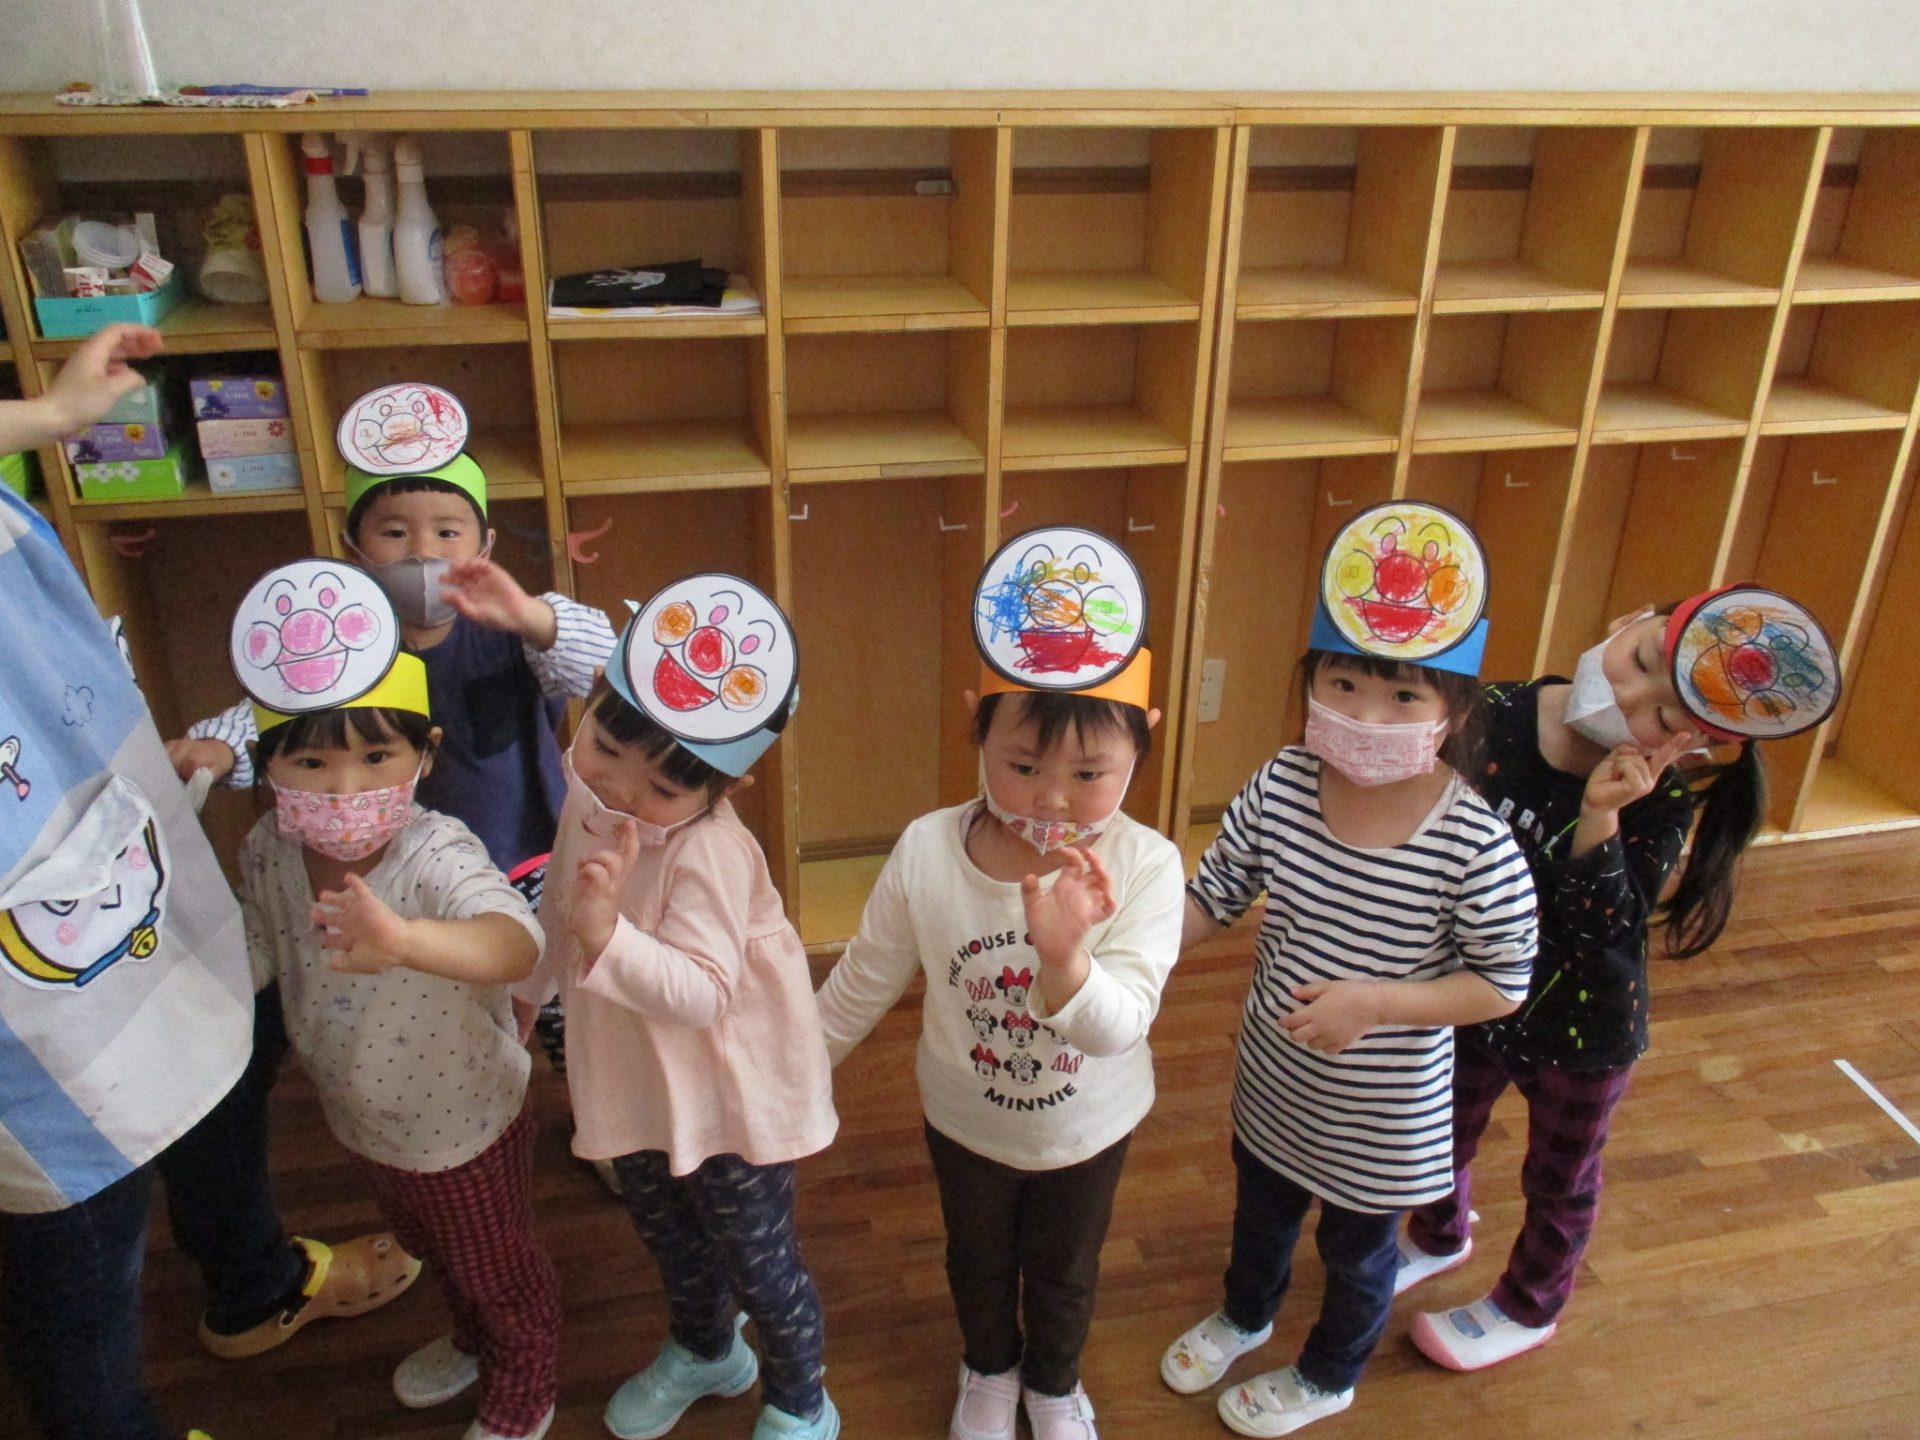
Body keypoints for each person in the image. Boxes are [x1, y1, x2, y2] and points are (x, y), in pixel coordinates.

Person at [0, 326, 409, 1440]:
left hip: (61, 750)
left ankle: (253, 1281)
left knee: (213, 1018)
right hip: (28, 932)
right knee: (77, 1231)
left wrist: (48, 420)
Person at [1159, 501, 1538, 1437]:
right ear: (1312, 681)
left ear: (1453, 713)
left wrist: (1376, 1003)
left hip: (1382, 1113)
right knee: (1260, 1215)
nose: (1367, 714)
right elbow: (1216, 893)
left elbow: (1503, 982)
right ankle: (1246, 1314)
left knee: (1358, 1256)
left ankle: (1331, 1374)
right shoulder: (1282, 784)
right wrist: (1129, 957)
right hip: (1274, 1079)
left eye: (1403, 697)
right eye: (1344, 683)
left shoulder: (1472, 844)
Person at [1399, 585, 1840, 1371]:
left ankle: (1531, 1306)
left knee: (1559, 1179)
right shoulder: (1493, 710)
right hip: (1475, 993)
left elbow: (1607, 930)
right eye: (1640, 659)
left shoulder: (1656, 802)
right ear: (1628, 620)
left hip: (1583, 1025)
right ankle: (1438, 1234)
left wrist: (1601, 815)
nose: (1630, 697)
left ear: (1693, 744)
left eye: (1664, 716)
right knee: (1441, 1128)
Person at [816, 528, 1186, 1440]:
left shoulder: (1148, 865)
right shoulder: (926, 849)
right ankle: (987, 1366)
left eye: (1089, 774)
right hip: (964, 1120)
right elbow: (863, 980)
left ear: (1144, 742)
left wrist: (1064, 961)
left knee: (1065, 1272)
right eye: (1022, 766)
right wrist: (789, 1072)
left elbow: (1120, 1026)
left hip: (1088, 1129)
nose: (1051, 799)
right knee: (976, 1257)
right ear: (976, 725)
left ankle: (1054, 1383)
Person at [230, 558, 558, 1440]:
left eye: (376, 756)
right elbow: (257, 949)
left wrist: (406, 940)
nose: (344, 789)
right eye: (311, 761)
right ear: (268, 765)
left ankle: (524, 1381)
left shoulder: (434, 851)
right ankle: (473, 1339)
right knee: (434, 1253)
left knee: (497, 1270)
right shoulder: (267, 849)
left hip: (465, 1125)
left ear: (425, 754)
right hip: (362, 1118)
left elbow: (516, 943)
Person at [516, 575, 840, 1440]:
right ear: (591, 701)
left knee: (760, 1262)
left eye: (661, 787)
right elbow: (558, 909)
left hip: (731, 1096)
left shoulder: (711, 853)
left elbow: (703, 993)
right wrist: (527, 992)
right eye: (606, 749)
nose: (621, 791)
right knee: (670, 1238)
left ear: (724, 788)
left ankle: (801, 1399)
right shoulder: (587, 803)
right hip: (635, 1079)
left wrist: (607, 936)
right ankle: (706, 1350)